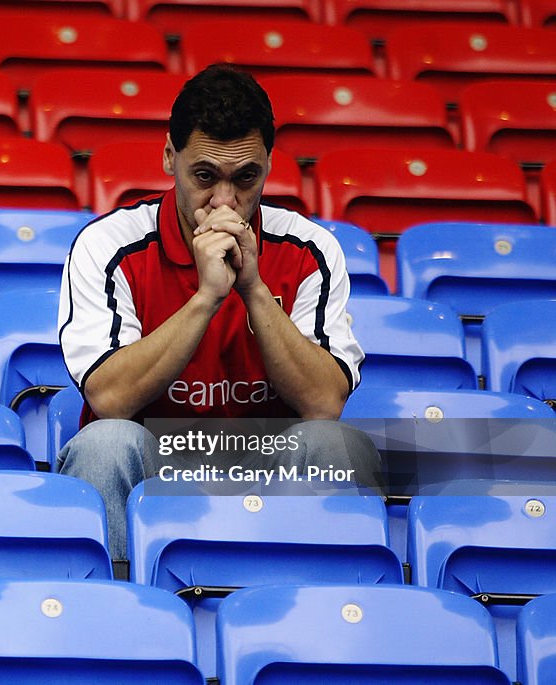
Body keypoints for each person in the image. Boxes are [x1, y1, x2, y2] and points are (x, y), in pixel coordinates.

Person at [57, 64, 382, 560]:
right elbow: (111, 397)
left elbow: (324, 403)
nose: (226, 200)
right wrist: (207, 297)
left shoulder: (310, 248)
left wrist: (251, 286)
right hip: (156, 457)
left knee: (337, 446)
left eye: (246, 177)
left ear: (270, 164)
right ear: (170, 156)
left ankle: (330, 607)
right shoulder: (108, 245)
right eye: (204, 176)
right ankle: (111, 614)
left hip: (270, 457)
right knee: (105, 445)